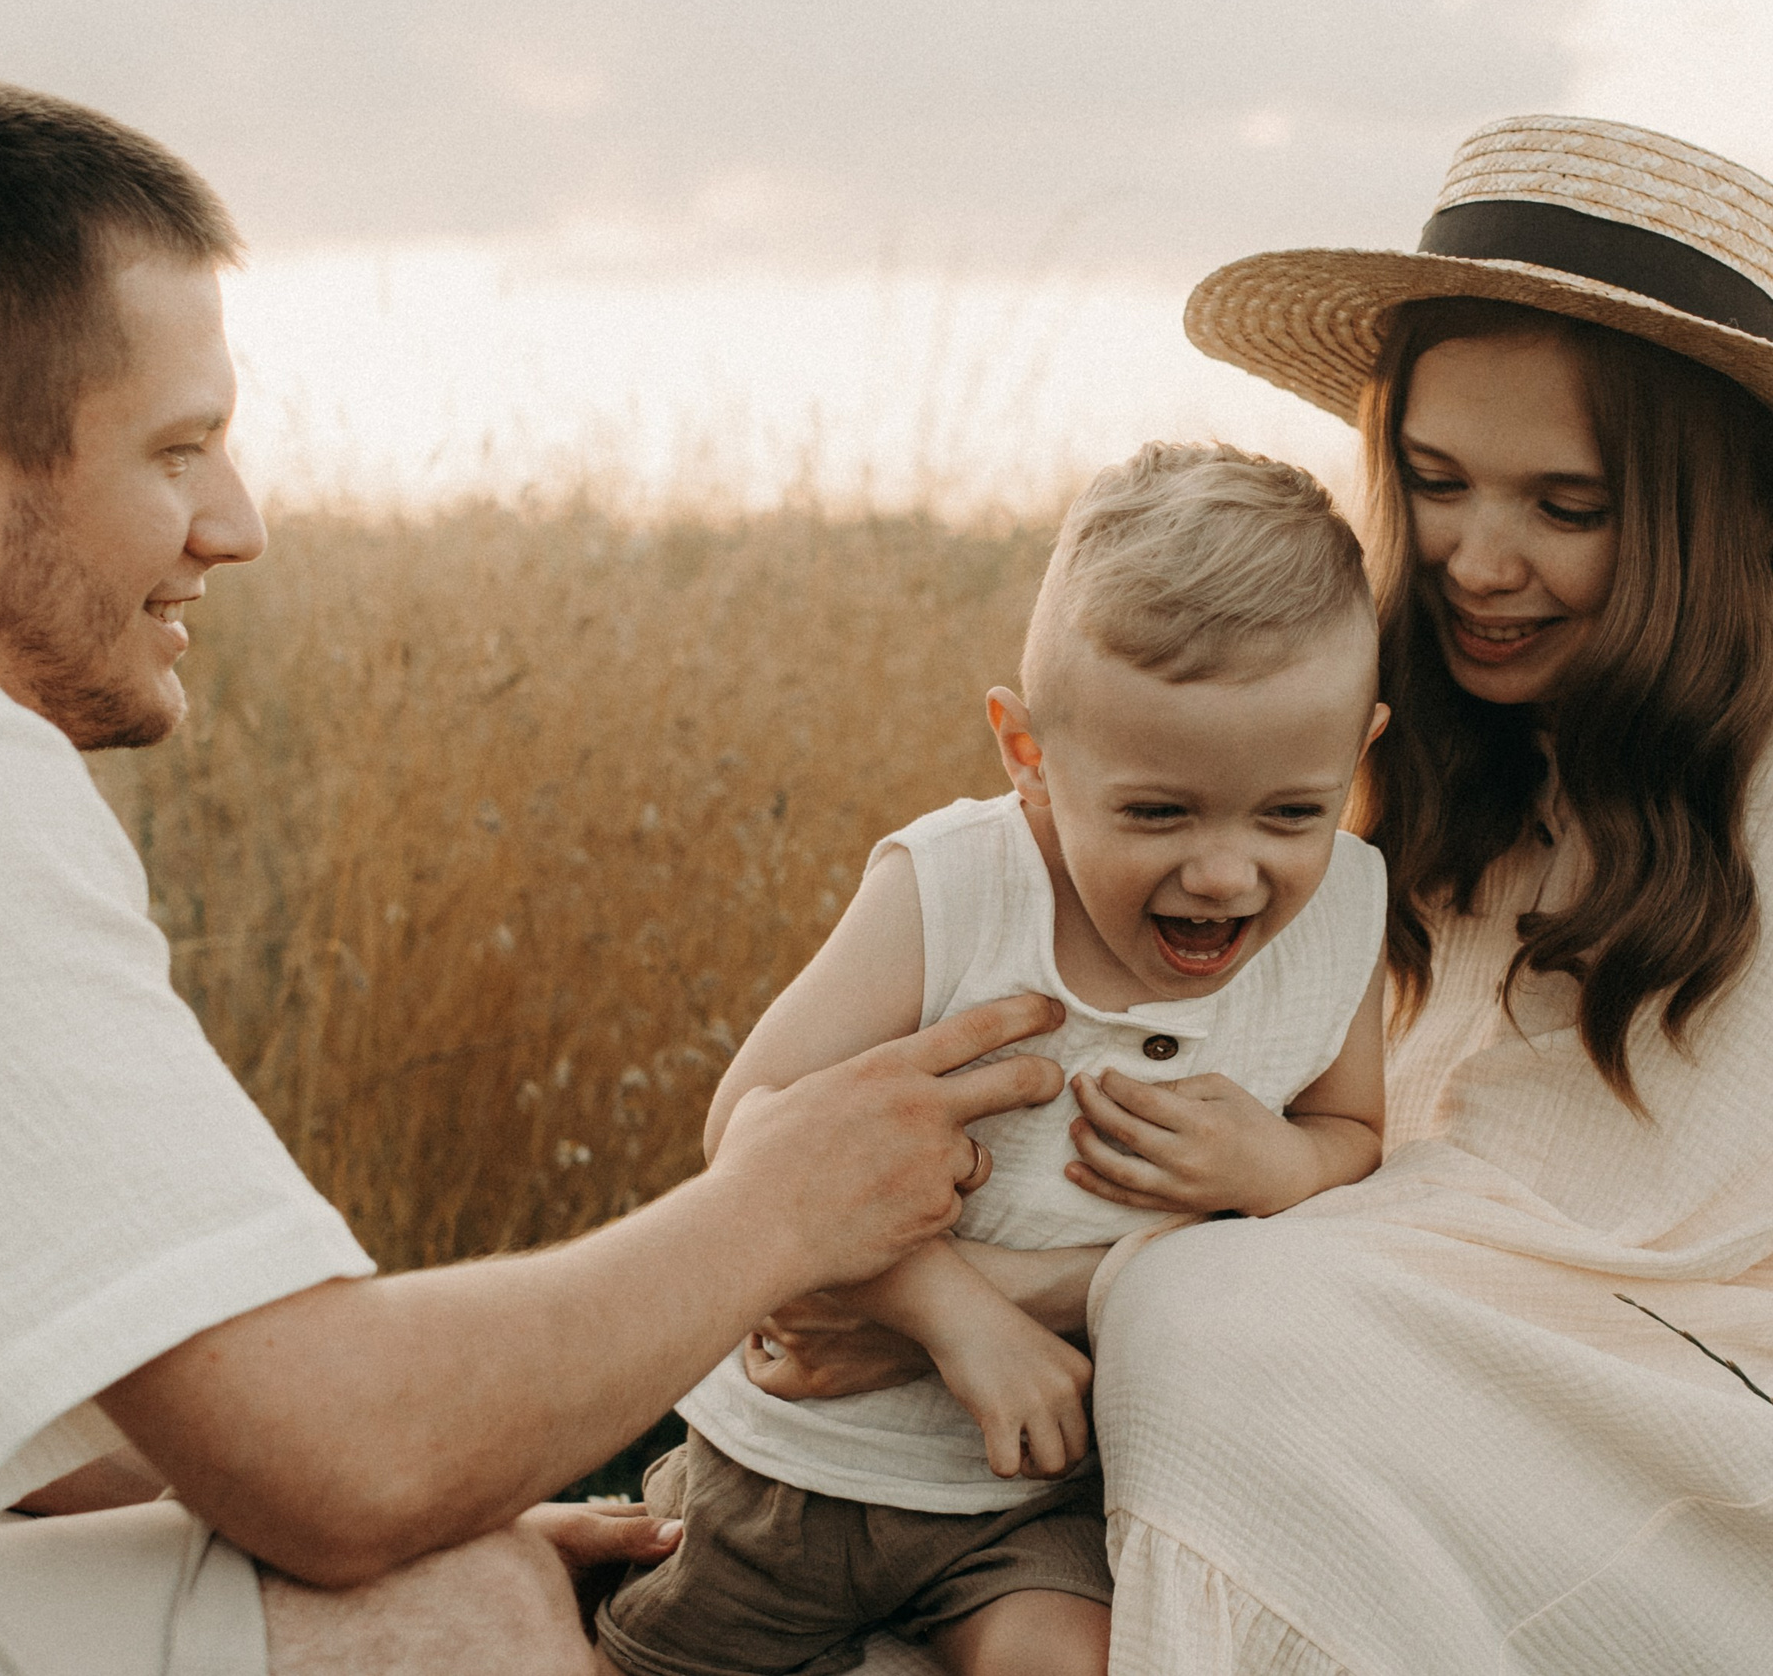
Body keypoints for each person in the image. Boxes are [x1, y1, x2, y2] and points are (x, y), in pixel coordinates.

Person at [754, 117, 1773, 1673]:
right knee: (1200, 1312)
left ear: (1687, 505)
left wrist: (1001, 1297)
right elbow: (1385, 1118)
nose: (1476, 558)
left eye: (1567, 506)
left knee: (1207, 1326)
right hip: (1534, 1312)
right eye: (1438, 480)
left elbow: (1608, 1203)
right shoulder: (1453, 701)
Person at [0, 74, 1066, 1676]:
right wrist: (781, 1205)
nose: (235, 525)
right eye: (180, 452)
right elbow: (344, 1459)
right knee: (440, 1613)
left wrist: (391, 1500)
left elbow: (118, 1380)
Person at [596, 443, 1392, 1676]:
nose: (1228, 870)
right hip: (804, 1471)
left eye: (1292, 810)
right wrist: (954, 1311)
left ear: (1360, 748)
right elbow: (749, 1125)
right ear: (1026, 752)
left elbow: (1356, 1136)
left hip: (1036, 1506)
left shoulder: (1347, 904)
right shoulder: (960, 888)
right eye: (1157, 812)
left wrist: (1274, 1159)